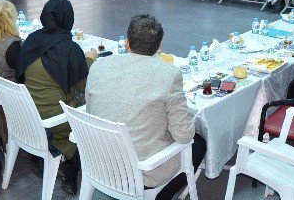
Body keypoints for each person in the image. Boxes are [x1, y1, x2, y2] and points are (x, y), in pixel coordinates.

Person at [86, 14, 205, 200]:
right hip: (141, 170)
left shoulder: (98, 66)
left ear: (127, 42)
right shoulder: (169, 74)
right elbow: (184, 135)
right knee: (198, 144)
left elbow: (91, 110)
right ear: (159, 47)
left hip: (99, 160)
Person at [17, 0, 97, 195]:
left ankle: (59, 163)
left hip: (27, 113)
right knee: (93, 110)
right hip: (55, 121)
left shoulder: (32, 40)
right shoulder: (69, 48)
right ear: (68, 18)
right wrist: (89, 59)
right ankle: (73, 167)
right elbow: (85, 85)